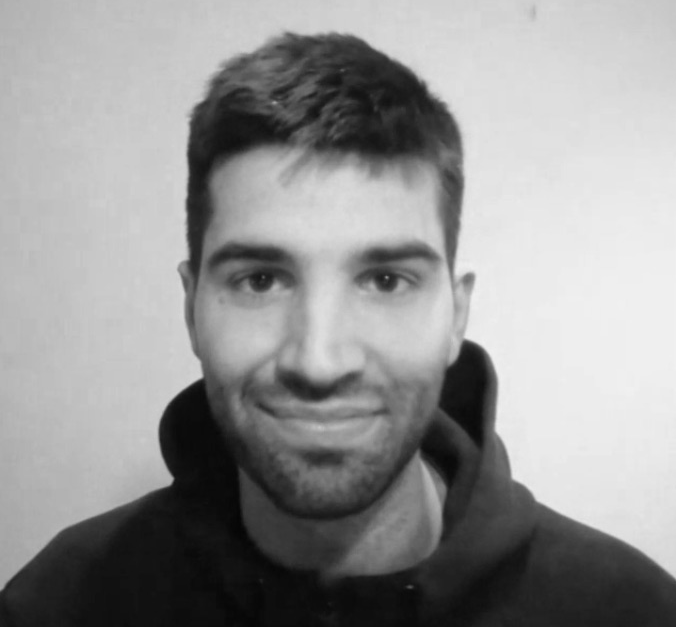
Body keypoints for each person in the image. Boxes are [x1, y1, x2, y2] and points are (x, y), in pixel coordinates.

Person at [1, 32, 675, 627]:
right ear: (191, 308)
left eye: (385, 280)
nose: (319, 362)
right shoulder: (59, 606)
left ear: (456, 316)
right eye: (260, 280)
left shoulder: (632, 612)